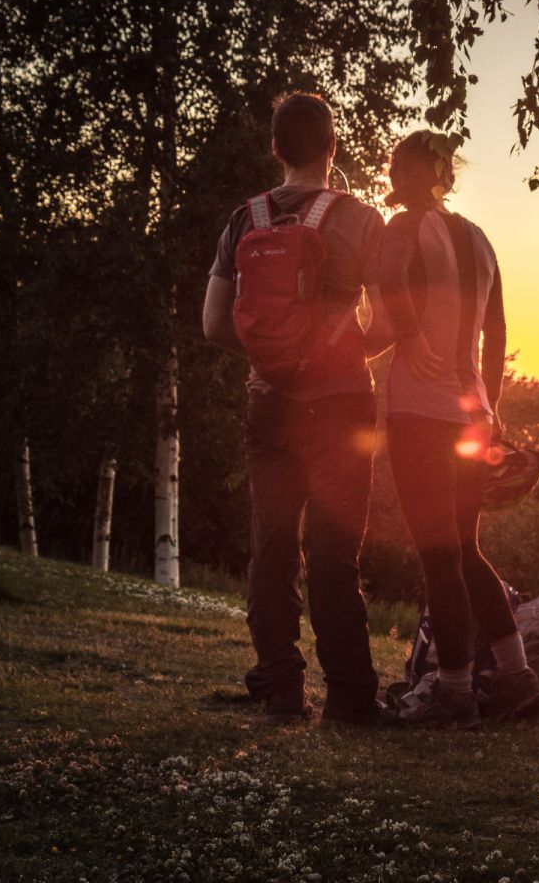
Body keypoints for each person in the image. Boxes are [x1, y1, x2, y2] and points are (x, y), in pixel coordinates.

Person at [201, 92, 384, 725]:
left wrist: (272, 359)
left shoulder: (243, 220)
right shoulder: (360, 220)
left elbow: (213, 323)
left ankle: (282, 692)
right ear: (331, 147)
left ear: (276, 149)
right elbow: (387, 320)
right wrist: (345, 349)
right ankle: (351, 699)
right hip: (341, 406)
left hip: (268, 404)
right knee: (336, 552)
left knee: (273, 548)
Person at [375, 129, 539, 728]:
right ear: (446, 176)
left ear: (407, 176)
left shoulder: (402, 228)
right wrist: (491, 402)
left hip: (419, 409)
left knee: (438, 552)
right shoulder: (480, 239)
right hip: (472, 409)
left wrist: (411, 335)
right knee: (465, 548)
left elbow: (389, 282)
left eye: (396, 170)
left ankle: (452, 691)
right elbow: (497, 331)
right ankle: (519, 676)